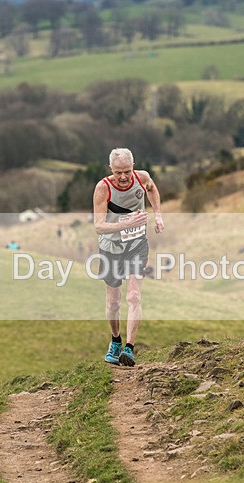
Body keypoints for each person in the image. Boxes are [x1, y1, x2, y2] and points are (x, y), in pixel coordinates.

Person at [93, 148, 164, 367]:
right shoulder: (103, 188)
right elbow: (99, 226)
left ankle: (129, 348)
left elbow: (152, 189)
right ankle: (115, 340)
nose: (123, 177)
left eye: (126, 171)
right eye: (118, 172)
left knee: (133, 296)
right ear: (110, 169)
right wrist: (126, 224)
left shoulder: (142, 178)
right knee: (113, 303)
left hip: (136, 246)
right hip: (111, 248)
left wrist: (158, 215)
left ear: (133, 167)